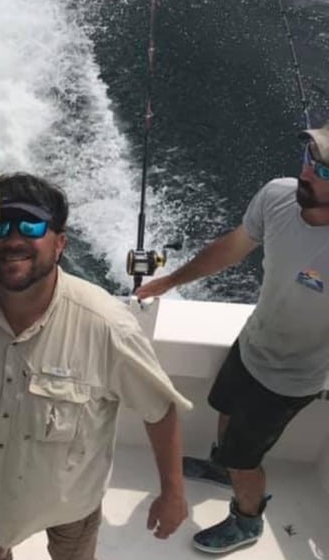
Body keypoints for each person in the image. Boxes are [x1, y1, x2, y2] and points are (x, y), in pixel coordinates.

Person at [0, 172, 192, 560]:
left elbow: (160, 409)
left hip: (70, 501)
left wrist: (173, 494)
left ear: (60, 243)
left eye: (30, 226)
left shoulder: (108, 325)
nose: (11, 240)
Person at [135, 122, 329, 554]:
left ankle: (247, 520)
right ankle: (223, 466)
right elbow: (232, 246)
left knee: (247, 458)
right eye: (309, 160)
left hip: (291, 380)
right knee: (223, 408)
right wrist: (170, 281)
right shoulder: (278, 196)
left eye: (325, 173)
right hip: (252, 345)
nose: (308, 174)